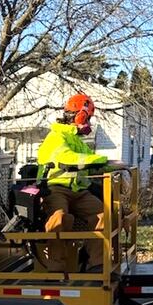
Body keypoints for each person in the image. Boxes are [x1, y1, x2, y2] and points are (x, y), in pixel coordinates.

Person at [36, 93, 111, 272]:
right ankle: (56, 267)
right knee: (59, 218)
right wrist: (100, 160)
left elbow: (91, 161)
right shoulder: (56, 137)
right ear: (78, 116)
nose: (88, 123)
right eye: (87, 118)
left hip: (79, 192)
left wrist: (113, 166)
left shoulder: (76, 140)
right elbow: (68, 159)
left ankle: (98, 264)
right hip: (55, 189)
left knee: (103, 215)